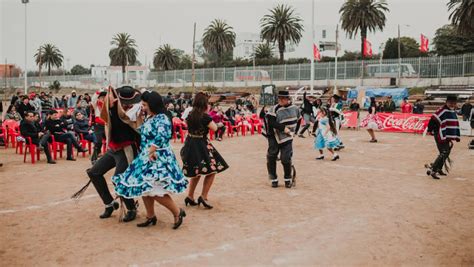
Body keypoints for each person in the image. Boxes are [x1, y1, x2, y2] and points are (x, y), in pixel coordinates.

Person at [112, 91, 188, 229]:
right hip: (147, 155)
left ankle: (178, 212)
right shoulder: (150, 118)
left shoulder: (162, 118)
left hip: (158, 157)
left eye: (145, 105)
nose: (143, 107)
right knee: (144, 188)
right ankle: (150, 216)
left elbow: (162, 137)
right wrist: (139, 117)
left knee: (156, 190)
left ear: (153, 105)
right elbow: (142, 132)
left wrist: (151, 151)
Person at [75, 86, 142, 222]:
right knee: (94, 172)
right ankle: (109, 204)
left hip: (126, 149)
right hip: (113, 149)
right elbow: (103, 114)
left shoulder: (135, 112)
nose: (110, 99)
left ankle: (131, 207)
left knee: (118, 179)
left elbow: (135, 126)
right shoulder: (110, 108)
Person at [180, 92, 229, 209]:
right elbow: (214, 128)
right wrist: (220, 123)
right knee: (212, 170)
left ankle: (190, 196)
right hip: (201, 145)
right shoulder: (204, 116)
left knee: (196, 171)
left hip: (190, 143)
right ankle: (203, 196)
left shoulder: (190, 114)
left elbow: (188, 126)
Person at [263, 90, 301, 188]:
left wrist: (295, 132)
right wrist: (284, 128)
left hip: (287, 137)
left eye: (283, 98)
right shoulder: (274, 109)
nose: (280, 100)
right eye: (279, 98)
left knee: (285, 158)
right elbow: (271, 122)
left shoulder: (295, 109)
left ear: (288, 99)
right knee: (271, 156)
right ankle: (274, 179)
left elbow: (299, 119)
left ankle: (288, 179)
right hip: (274, 136)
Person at [425, 95, 461, 179]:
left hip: (446, 135)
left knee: (446, 152)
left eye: (454, 103)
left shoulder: (452, 111)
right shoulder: (442, 110)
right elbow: (433, 119)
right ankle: (434, 170)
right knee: (444, 152)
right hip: (439, 134)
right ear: (446, 102)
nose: (452, 104)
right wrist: (430, 130)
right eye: (450, 103)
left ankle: (438, 168)